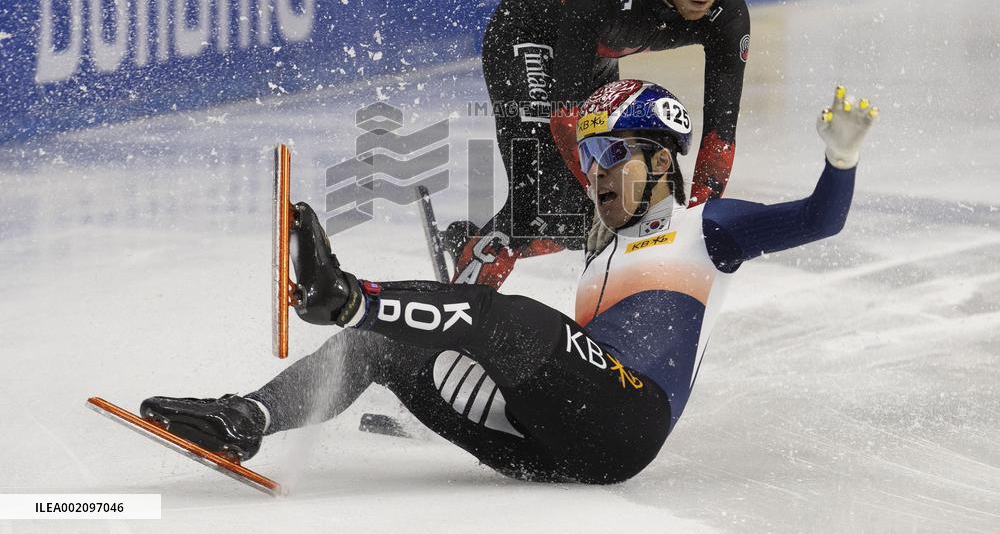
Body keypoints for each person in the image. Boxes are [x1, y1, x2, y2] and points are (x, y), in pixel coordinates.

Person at [141, 81, 878, 484]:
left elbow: (819, 219)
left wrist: (839, 160)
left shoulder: (705, 226)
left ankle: (346, 294)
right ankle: (247, 420)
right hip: (544, 444)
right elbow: (499, 323)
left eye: (613, 153)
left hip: (631, 419)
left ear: (662, 159)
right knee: (380, 346)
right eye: (589, 159)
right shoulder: (599, 249)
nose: (596, 174)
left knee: (506, 316)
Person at [449, 0, 753, 290]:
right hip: (528, 36)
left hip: (594, 63)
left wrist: (696, 222)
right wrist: (596, 189)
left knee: (578, 219)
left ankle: (476, 247)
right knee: (538, 200)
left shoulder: (727, 14)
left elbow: (720, 138)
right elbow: (564, 117)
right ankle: (462, 298)